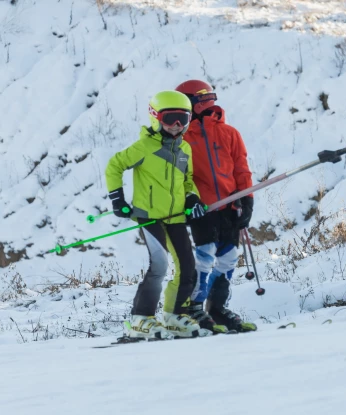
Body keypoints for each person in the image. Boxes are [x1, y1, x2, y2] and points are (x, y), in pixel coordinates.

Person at [105, 90, 210, 340]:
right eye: (170, 118)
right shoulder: (144, 147)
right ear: (155, 117)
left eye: (183, 119)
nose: (176, 125)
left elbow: (187, 181)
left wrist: (193, 196)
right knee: (160, 266)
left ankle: (174, 315)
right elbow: (114, 166)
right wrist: (117, 198)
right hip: (149, 217)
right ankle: (141, 318)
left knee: (188, 266)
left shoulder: (184, 148)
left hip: (175, 216)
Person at [175, 80, 257, 333]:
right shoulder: (182, 138)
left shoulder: (230, 133)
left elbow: (241, 168)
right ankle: (195, 308)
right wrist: (189, 200)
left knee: (229, 258)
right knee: (205, 256)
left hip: (230, 206)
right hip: (202, 208)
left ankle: (218, 308)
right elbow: (178, 175)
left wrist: (247, 200)